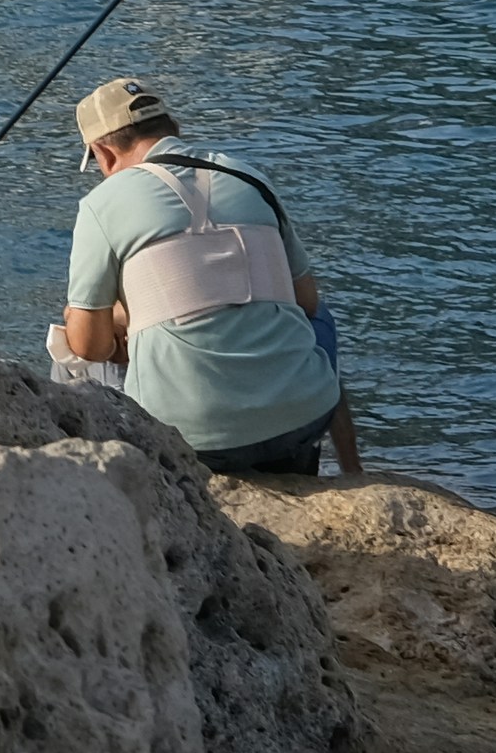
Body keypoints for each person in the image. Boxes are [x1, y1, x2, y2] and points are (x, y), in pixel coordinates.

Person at [56, 75, 360, 478]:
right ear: (172, 130)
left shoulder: (102, 203)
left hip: (193, 442)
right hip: (302, 425)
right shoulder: (249, 176)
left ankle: (86, 483)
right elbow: (306, 301)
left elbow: (89, 346)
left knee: (69, 349)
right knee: (321, 320)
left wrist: (121, 326)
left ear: (103, 153)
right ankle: (354, 472)